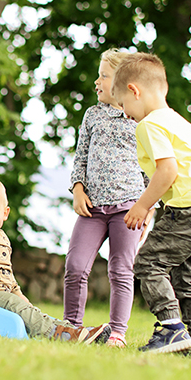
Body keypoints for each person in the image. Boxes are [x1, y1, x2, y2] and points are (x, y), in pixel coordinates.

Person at [112, 52, 191, 356]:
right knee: (187, 277)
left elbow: (167, 171)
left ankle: (170, 328)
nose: (125, 113)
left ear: (134, 91)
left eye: (122, 104)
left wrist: (142, 206)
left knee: (148, 263)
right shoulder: (178, 122)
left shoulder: (150, 125)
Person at [0, 175, 111, 344]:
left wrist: (18, 293)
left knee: (29, 308)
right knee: (13, 303)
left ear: (5, 213)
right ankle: (59, 334)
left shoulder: (2, 239)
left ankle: (72, 331)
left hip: (2, 293)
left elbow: (6, 274)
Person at [64, 49, 152, 348]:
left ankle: (117, 334)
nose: (96, 81)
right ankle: (71, 327)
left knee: (120, 269)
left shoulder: (142, 121)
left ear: (124, 83)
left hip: (129, 207)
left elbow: (153, 169)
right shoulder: (92, 115)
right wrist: (77, 188)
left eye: (103, 75)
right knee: (75, 265)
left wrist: (148, 208)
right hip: (92, 208)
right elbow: (81, 158)